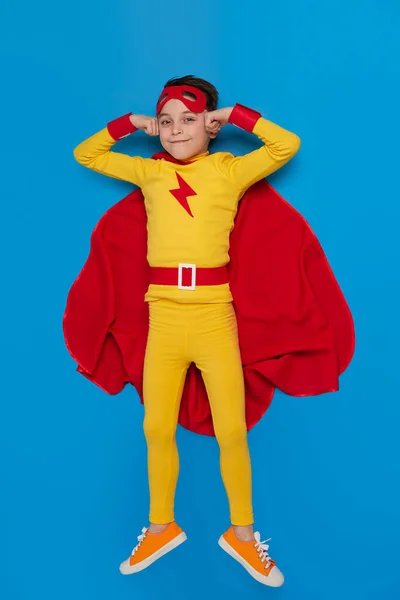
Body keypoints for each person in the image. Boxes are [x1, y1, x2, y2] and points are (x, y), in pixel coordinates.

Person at [73, 75, 301, 587]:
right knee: (156, 427)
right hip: (164, 318)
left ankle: (242, 535)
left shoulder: (229, 170)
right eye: (167, 121)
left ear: (210, 127)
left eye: (190, 119)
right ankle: (161, 525)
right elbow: (87, 155)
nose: (177, 130)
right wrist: (132, 124)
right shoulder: (150, 173)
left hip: (214, 316)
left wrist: (235, 116)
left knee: (231, 430)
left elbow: (287, 145)